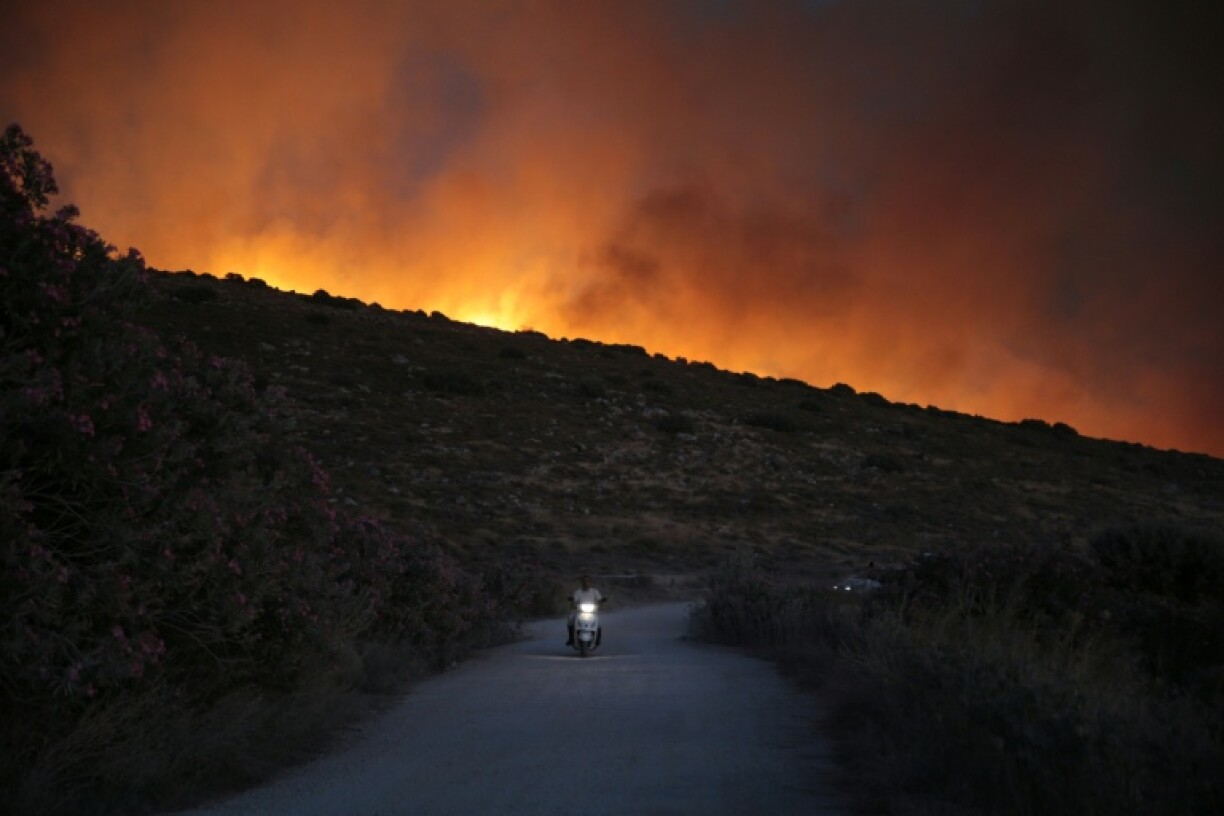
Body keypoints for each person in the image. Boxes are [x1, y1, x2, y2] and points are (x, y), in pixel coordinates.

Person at [566, 574, 604, 646]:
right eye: (584, 581)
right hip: (580, 612)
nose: (585, 583)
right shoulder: (578, 592)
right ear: (581, 583)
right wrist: (572, 598)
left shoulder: (595, 591)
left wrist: (602, 600)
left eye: (587, 581)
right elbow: (574, 598)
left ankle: (598, 639)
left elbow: (599, 599)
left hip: (592, 612)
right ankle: (571, 638)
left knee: (599, 621)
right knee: (570, 618)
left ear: (590, 582)